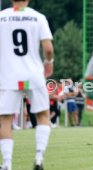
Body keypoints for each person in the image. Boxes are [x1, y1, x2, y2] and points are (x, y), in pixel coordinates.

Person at [0, 0, 54, 169]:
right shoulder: (38, 18)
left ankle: (7, 164)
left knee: (5, 120)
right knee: (43, 115)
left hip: (9, 75)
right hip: (34, 74)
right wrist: (48, 62)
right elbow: (48, 48)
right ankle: (39, 157)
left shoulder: (1, 18)